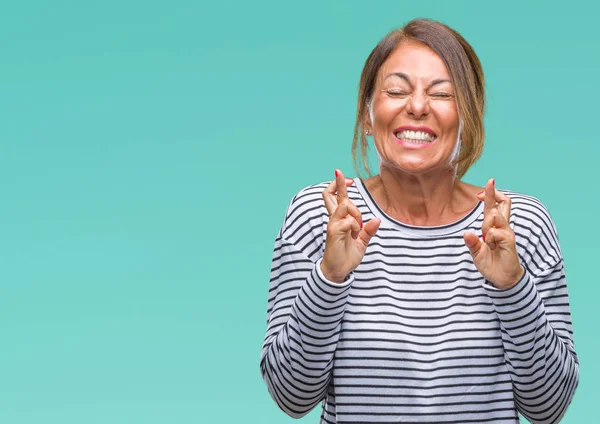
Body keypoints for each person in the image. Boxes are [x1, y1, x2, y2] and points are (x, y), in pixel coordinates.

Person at [259, 19, 578, 423]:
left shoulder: (517, 225)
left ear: (469, 118)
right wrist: (329, 277)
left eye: (442, 94)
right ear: (367, 116)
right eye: (396, 90)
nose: (417, 106)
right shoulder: (322, 215)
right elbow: (291, 397)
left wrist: (513, 288)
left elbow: (547, 408)